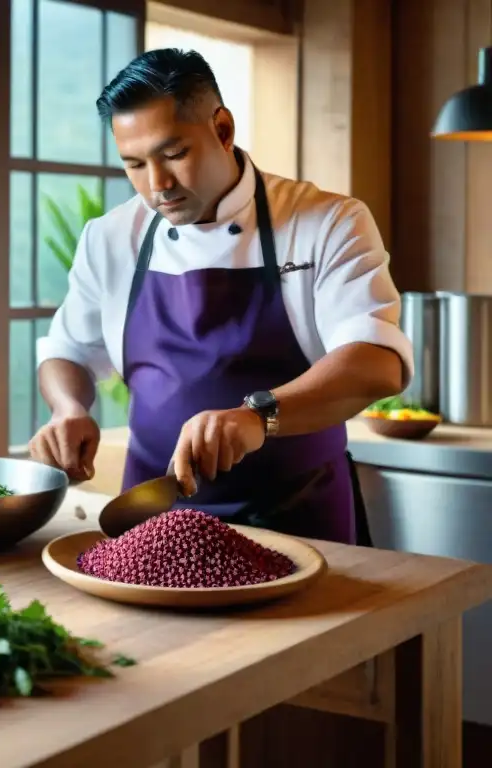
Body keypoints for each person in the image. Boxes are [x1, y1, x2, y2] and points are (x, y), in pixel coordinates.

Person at [28, 49, 412, 545]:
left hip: (298, 514)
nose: (157, 185)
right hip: (152, 520)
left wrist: (258, 416)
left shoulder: (328, 222)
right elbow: (69, 353)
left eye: (173, 155)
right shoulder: (110, 237)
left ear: (223, 129)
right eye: (135, 165)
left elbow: (375, 362)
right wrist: (67, 409)